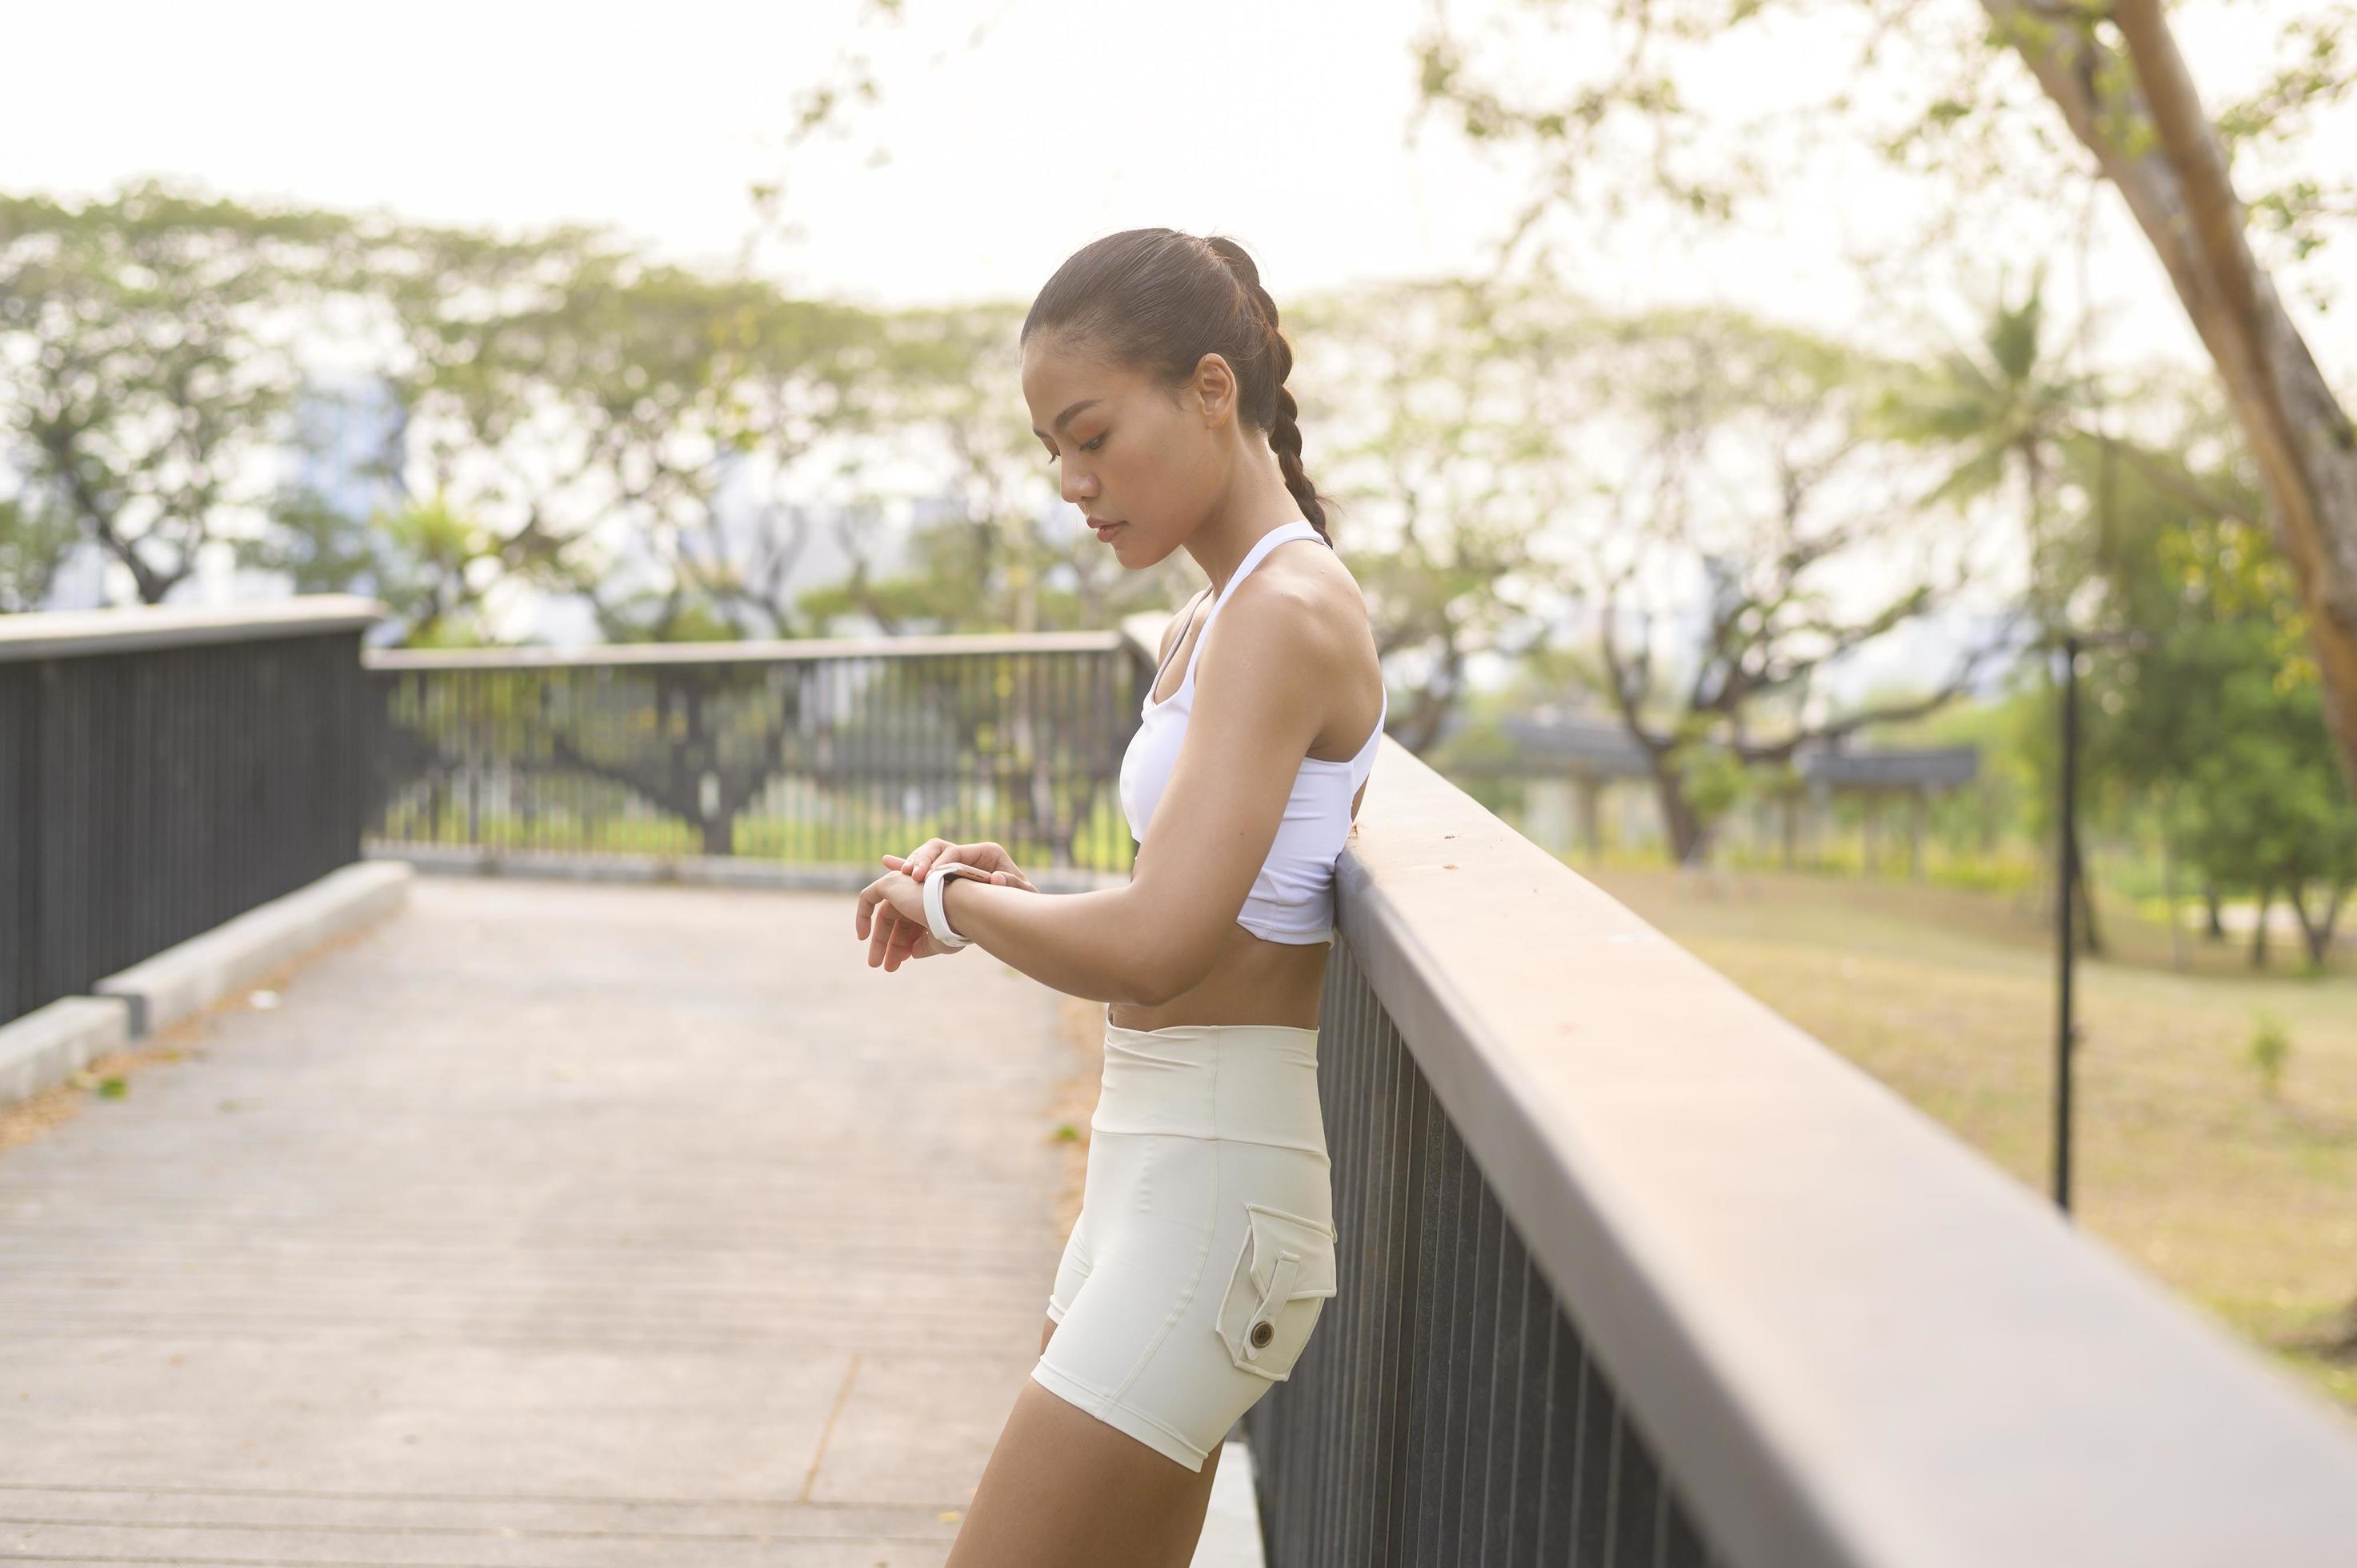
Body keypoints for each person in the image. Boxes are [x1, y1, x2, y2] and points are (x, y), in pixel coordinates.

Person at [851, 227, 1386, 1567]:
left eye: (1089, 436)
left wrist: (953, 912)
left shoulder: (1284, 608)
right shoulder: (1211, 613)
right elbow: (1197, 895)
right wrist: (1013, 896)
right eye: (1053, 452)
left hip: (1212, 1194)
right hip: (1155, 1172)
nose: (1072, 485)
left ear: (1213, 390)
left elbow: (1159, 944)